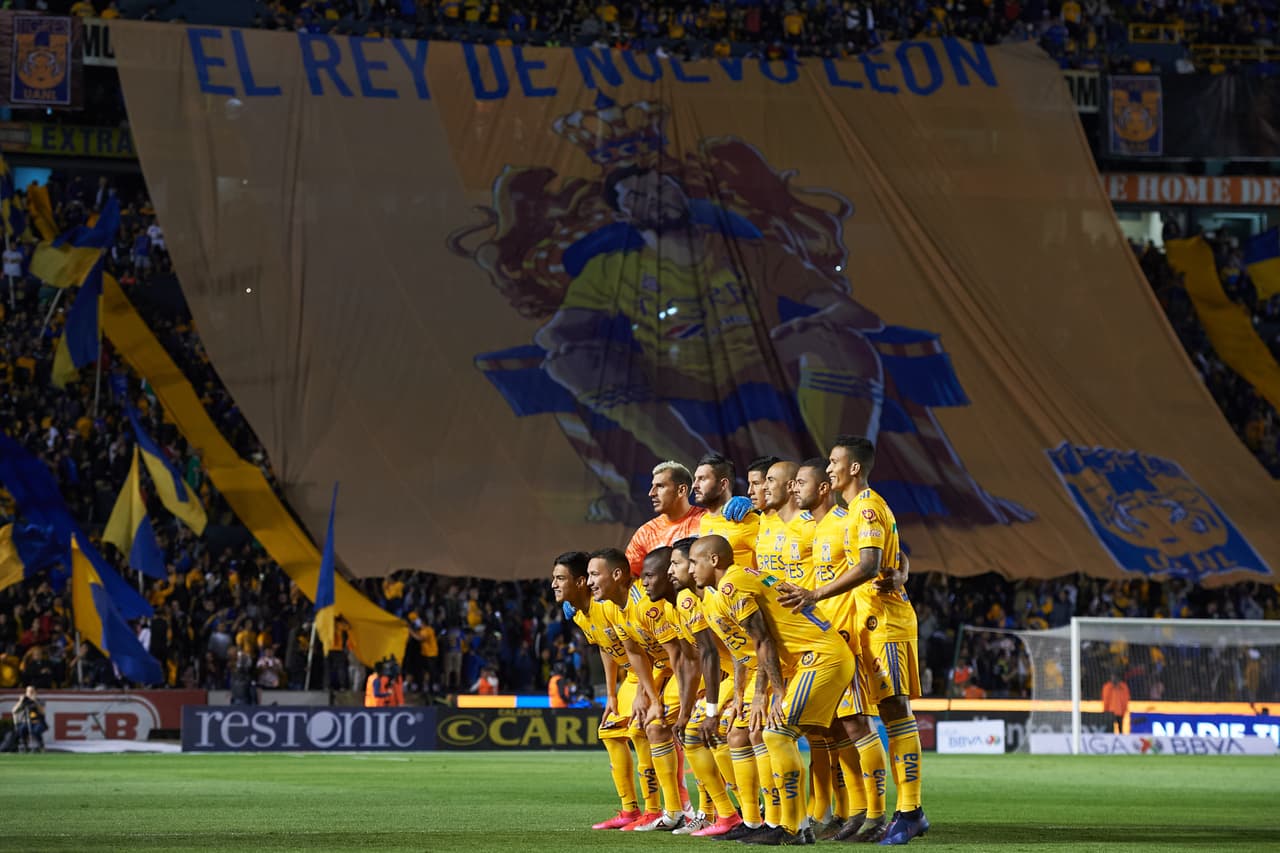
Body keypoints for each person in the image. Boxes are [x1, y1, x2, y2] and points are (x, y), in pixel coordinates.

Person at [778, 435, 929, 846]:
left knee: (896, 711)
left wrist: (815, 595)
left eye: (833, 461)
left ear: (854, 468)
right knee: (878, 715)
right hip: (861, 624)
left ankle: (909, 811)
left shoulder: (865, 506)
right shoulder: (853, 513)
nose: (829, 468)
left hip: (886, 622)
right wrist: (902, 569)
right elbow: (889, 555)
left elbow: (869, 564)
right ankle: (889, 812)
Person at [690, 534, 855, 845]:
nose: (690, 568)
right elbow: (751, 649)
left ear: (713, 560)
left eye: (693, 562)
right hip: (813, 658)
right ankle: (791, 823)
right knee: (774, 733)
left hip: (821, 657)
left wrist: (775, 694)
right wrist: (749, 696)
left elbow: (763, 641)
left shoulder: (732, 585)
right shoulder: (735, 583)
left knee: (777, 733)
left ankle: (796, 825)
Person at [551, 550, 658, 830]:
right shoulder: (580, 615)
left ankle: (656, 809)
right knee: (610, 730)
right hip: (632, 676)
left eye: (560, 578)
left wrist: (642, 693)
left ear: (581, 582)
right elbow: (606, 648)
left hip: (653, 668)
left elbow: (642, 649)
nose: (553, 584)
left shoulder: (608, 606)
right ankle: (629, 811)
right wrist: (611, 694)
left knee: (640, 730)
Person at [589, 547, 690, 832]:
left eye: (595, 574)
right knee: (643, 727)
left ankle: (706, 811)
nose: (590, 581)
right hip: (659, 670)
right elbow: (634, 653)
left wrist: (658, 698)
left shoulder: (645, 603)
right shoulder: (613, 607)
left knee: (688, 730)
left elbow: (678, 653)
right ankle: (669, 811)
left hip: (687, 669)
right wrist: (646, 695)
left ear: (618, 574)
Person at [624, 462, 706, 577]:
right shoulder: (646, 533)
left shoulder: (708, 520)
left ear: (681, 490)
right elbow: (628, 578)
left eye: (660, 486)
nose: (651, 493)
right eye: (652, 486)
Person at [693, 452, 759, 570]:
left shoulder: (747, 520)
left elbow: (773, 568)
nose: (694, 485)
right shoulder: (702, 521)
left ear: (723, 484)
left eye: (702, 479)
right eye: (695, 479)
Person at [12, 686, 47, 752]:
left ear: (35, 692)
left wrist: (35, 701)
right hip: (26, 722)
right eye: (28, 691)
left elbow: (42, 712)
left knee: (36, 730)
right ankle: (25, 746)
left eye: (32, 691)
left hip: (37, 722)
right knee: (21, 729)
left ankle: (41, 746)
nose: (30, 693)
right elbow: (14, 711)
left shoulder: (39, 701)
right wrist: (20, 702)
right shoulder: (24, 702)